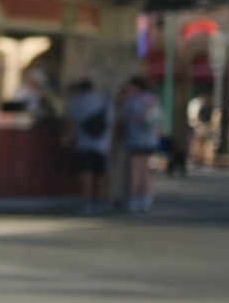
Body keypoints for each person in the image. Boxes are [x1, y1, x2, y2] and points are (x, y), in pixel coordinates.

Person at [66, 78, 114, 215]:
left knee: (86, 173)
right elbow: (112, 122)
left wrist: (70, 140)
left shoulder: (77, 101)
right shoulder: (105, 100)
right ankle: (102, 202)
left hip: (84, 143)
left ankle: (87, 202)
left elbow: (71, 123)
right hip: (103, 144)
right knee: (102, 174)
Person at [119, 77, 160, 213]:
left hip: (135, 139)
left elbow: (123, 120)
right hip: (150, 140)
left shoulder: (132, 101)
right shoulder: (152, 100)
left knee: (136, 170)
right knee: (146, 171)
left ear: (136, 87)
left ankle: (133, 200)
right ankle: (146, 199)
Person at [186, 93, 216, 168]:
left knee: (205, 144)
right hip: (200, 126)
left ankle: (203, 160)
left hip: (203, 126)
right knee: (199, 143)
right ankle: (198, 159)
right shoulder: (197, 104)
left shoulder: (205, 105)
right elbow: (194, 118)